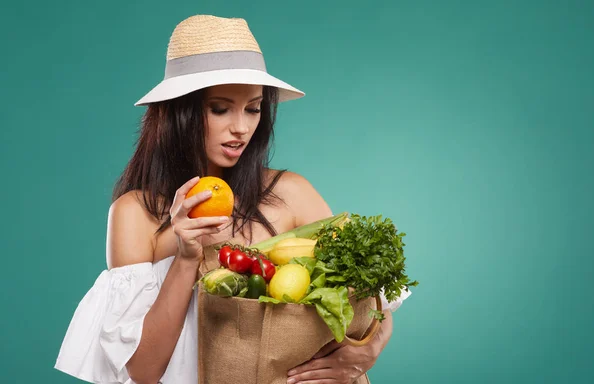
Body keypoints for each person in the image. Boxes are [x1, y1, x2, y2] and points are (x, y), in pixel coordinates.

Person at [54, 14, 410, 384]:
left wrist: (366, 351)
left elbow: (371, 300)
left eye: (253, 108)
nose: (241, 127)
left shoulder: (292, 194)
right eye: (220, 108)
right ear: (178, 112)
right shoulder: (135, 213)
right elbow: (142, 371)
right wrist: (187, 255)